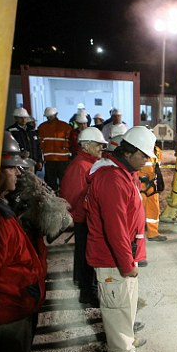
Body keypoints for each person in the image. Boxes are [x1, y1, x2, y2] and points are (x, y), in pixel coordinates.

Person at [84, 126, 155, 352]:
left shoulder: (124, 173)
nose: (146, 161)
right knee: (116, 306)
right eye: (143, 156)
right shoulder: (112, 179)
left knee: (126, 304)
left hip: (124, 255)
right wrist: (126, 264)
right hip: (112, 259)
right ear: (128, 152)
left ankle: (127, 341)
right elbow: (114, 229)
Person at [0, 133, 47, 352]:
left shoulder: (5, 207)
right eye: (10, 167)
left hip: (17, 307)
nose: (17, 172)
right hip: (7, 313)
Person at [60, 127, 108, 306]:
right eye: (97, 145)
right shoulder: (80, 166)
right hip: (84, 220)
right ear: (86, 145)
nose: (100, 149)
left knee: (85, 256)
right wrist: (85, 217)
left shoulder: (88, 164)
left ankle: (86, 289)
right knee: (86, 257)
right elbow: (72, 197)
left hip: (87, 219)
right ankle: (87, 293)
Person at [37, 106, 72, 191]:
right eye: (48, 117)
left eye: (50, 116)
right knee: (53, 181)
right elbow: (40, 143)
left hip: (61, 159)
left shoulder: (65, 126)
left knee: (62, 181)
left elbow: (70, 142)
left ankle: (61, 195)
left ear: (56, 115)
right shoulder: (42, 127)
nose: (49, 118)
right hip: (52, 159)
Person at [138, 142, 167, 242]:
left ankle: (153, 233)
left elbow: (157, 167)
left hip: (152, 186)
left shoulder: (157, 151)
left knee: (154, 211)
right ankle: (135, 235)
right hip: (139, 186)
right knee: (136, 213)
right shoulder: (137, 151)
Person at [7, 107, 43, 173]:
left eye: (25, 118)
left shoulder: (32, 131)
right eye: (21, 118)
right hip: (19, 164)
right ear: (16, 118)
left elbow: (38, 146)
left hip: (32, 162)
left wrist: (39, 161)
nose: (23, 120)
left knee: (32, 181)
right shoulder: (11, 131)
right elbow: (9, 149)